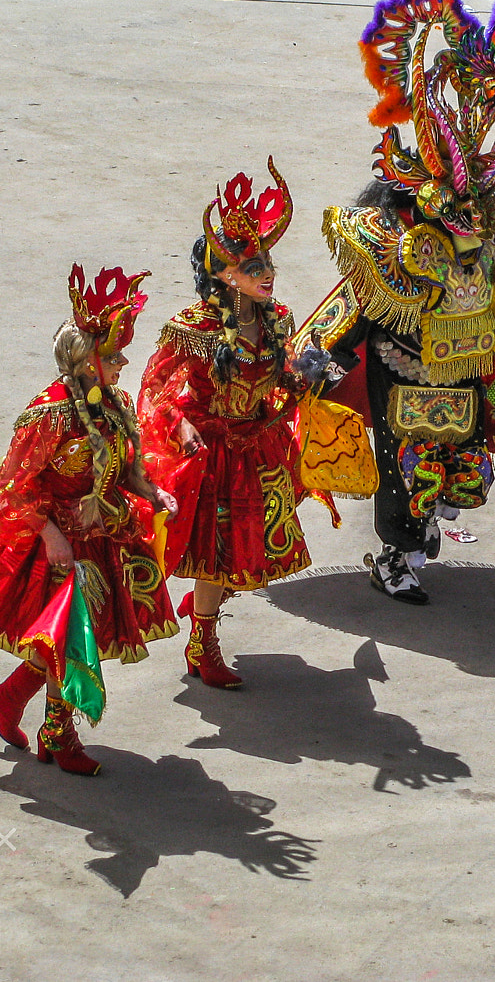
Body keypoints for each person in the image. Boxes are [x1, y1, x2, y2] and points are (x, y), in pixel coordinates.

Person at [300, 0, 495, 606]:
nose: (468, 219)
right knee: (405, 460)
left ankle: (421, 529)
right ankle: (394, 554)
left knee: (460, 457)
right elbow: (370, 303)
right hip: (403, 362)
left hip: (467, 362)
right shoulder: (400, 231)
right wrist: (329, 356)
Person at [0, 267, 179, 776]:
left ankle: (8, 697)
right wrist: (48, 535)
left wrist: (153, 492)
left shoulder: (113, 404)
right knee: (67, 642)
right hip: (58, 548)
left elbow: (124, 466)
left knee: (65, 641)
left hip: (102, 537)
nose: (121, 363)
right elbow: (14, 486)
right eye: (112, 356)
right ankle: (57, 737)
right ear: (87, 360)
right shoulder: (49, 416)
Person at [137, 162, 354, 688]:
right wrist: (183, 427)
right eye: (254, 265)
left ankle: (205, 610)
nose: (267, 272)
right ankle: (202, 644)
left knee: (243, 554)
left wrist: (307, 377)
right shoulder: (196, 331)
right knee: (217, 557)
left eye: (268, 261)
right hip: (214, 459)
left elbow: (279, 375)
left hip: (261, 446)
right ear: (224, 274)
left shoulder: (275, 317)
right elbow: (155, 393)